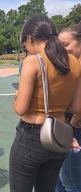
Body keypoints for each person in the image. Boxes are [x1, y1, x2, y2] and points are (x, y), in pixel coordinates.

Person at [10, 16, 81, 192]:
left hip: (31, 136)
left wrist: (17, 95)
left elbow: (20, 109)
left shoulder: (33, 61)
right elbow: (76, 107)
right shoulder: (74, 62)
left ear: (29, 38)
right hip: (59, 136)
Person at [56, 23, 81, 192]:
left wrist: (73, 121)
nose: (62, 50)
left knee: (71, 183)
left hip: (72, 131)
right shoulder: (73, 66)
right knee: (61, 179)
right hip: (68, 128)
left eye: (66, 45)